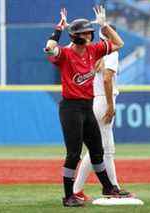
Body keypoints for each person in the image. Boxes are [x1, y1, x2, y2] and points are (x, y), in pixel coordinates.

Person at [45, 6, 127, 207]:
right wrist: (59, 28)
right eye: (85, 33)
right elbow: (49, 48)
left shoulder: (93, 49)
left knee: (97, 150)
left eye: (89, 32)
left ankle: (108, 187)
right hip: (70, 108)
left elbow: (119, 43)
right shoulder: (64, 54)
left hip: (87, 107)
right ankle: (68, 196)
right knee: (73, 153)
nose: (89, 35)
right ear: (75, 36)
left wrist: (104, 26)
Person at [73, 25, 132, 201]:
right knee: (106, 150)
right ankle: (113, 189)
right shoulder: (111, 53)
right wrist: (110, 106)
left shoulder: (94, 52)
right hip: (103, 101)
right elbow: (107, 79)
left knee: (96, 150)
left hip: (95, 100)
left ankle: (77, 190)